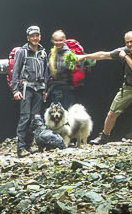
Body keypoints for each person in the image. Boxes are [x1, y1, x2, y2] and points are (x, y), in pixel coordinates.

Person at [84, 31, 132, 144]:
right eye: (127, 42)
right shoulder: (122, 50)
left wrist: (125, 57)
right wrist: (83, 57)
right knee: (112, 113)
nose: (130, 45)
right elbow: (103, 55)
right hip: (129, 87)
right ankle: (104, 137)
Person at [5, 23, 51, 155]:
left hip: (39, 88)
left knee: (35, 118)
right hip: (26, 88)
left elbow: (46, 72)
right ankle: (21, 147)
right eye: (32, 36)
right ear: (28, 37)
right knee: (25, 117)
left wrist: (45, 89)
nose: (35, 38)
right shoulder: (22, 52)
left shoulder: (43, 52)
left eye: (37, 35)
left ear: (40, 37)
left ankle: (29, 145)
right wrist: (15, 90)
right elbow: (16, 72)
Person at [45, 28, 87, 113]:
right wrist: (46, 90)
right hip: (54, 88)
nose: (58, 42)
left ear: (64, 40)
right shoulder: (51, 53)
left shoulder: (69, 53)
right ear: (52, 40)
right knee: (54, 114)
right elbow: (48, 73)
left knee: (66, 113)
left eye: (60, 40)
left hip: (67, 88)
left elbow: (66, 70)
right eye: (56, 40)